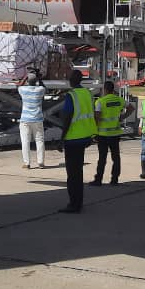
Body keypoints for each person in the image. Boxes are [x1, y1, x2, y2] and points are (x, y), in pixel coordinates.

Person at [57, 70, 97, 213]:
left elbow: (68, 117)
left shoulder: (71, 95)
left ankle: (74, 204)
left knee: (72, 174)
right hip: (84, 137)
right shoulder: (87, 93)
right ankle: (78, 202)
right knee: (78, 172)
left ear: (71, 80)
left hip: (72, 139)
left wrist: (61, 138)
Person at [90, 80, 124, 186]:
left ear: (104, 89)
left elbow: (98, 117)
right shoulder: (119, 100)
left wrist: (94, 132)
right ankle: (114, 179)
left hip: (103, 134)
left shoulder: (100, 101)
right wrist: (122, 117)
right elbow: (131, 108)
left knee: (102, 158)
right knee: (116, 157)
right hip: (115, 133)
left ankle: (98, 179)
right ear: (112, 89)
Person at [17, 68, 46, 169]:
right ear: (36, 81)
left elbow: (19, 85)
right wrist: (38, 78)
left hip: (25, 119)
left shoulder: (23, 90)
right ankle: (41, 162)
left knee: (25, 141)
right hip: (37, 119)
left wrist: (26, 76)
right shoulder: (40, 90)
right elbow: (44, 87)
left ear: (28, 81)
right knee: (40, 140)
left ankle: (27, 163)